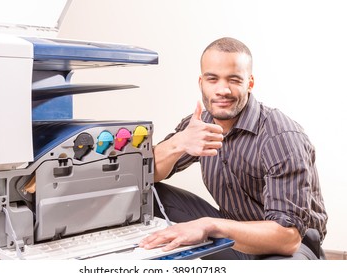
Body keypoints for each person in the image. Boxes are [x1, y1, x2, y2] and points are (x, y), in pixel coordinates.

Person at [138, 37, 328, 260]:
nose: (222, 90)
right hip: (233, 236)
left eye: (234, 80)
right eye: (212, 79)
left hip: (288, 248)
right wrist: (177, 143)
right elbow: (145, 176)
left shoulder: (282, 137)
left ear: (249, 83)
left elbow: (288, 238)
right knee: (146, 194)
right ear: (201, 82)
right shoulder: (200, 124)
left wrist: (209, 225)